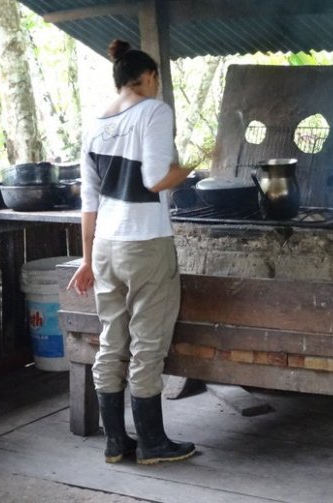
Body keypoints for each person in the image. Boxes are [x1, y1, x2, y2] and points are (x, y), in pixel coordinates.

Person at [68, 39, 195, 465]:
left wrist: (87, 259)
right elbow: (156, 178)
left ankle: (115, 442)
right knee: (147, 344)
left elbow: (89, 201)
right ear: (150, 77)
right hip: (145, 244)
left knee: (111, 341)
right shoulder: (154, 111)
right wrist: (192, 165)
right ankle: (153, 443)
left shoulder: (95, 124)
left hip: (106, 246)